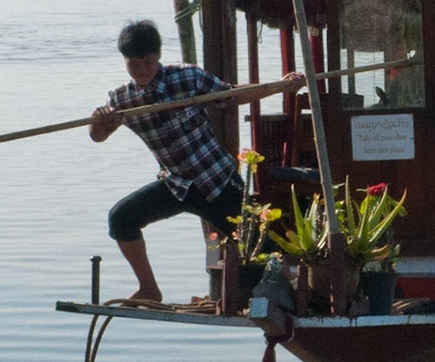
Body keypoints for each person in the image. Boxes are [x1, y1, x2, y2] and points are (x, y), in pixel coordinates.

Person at [90, 19, 300, 302]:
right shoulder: (122, 99)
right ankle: (149, 290)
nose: (141, 72)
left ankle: (293, 295)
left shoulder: (187, 78)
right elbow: (98, 135)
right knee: (121, 219)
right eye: (133, 65)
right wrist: (99, 122)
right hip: (176, 185)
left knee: (257, 250)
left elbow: (232, 95)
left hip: (218, 182)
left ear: (158, 55)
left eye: (147, 63)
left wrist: (280, 86)